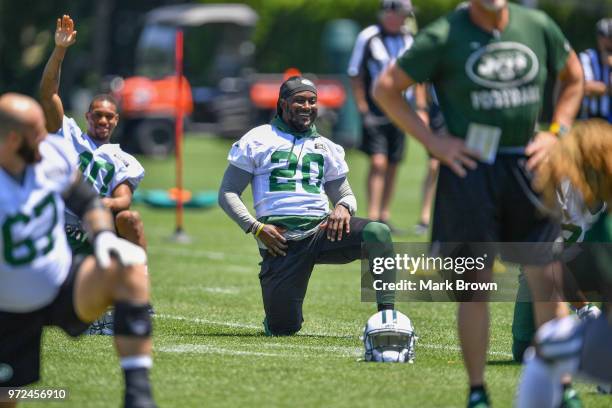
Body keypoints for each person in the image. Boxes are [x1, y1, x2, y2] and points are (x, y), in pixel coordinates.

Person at [372, 1, 584, 406]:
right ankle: (477, 391)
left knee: (547, 278)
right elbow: (386, 88)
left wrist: (557, 131)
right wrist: (433, 142)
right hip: (469, 170)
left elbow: (573, 76)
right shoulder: (443, 35)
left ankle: (563, 387)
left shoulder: (535, 24)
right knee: (474, 287)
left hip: (528, 165)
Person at [0, 93, 156, 408]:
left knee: (128, 268)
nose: (46, 138)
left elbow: (86, 201)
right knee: (9, 396)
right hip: (7, 305)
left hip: (58, 282)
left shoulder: (52, 157)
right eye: (37, 132)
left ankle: (139, 398)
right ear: (15, 139)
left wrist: (102, 237)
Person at [218, 76, 396, 336]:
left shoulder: (325, 145)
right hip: (281, 242)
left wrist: (344, 207)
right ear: (282, 104)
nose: (307, 106)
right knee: (284, 328)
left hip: (323, 230)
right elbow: (227, 192)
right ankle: (277, 318)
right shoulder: (257, 139)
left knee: (378, 233)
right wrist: (255, 227)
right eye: (299, 100)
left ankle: (387, 318)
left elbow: (344, 192)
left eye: (312, 101)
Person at [39, 15, 147, 334]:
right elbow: (48, 94)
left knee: (131, 219)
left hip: (93, 227)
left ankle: (135, 295)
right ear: (86, 116)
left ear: (116, 121)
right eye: (97, 115)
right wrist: (59, 50)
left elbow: (124, 198)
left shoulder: (123, 158)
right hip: (57, 223)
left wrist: (95, 206)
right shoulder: (67, 134)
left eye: (108, 117)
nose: (102, 121)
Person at [516, 119, 612, 407]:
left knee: (543, 352)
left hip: (582, 272)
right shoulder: (553, 185)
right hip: (562, 274)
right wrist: (587, 312)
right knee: (522, 347)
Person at [347, 0, 422, 231]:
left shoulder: (408, 38)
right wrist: (363, 107)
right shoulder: (368, 36)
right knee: (378, 161)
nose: (405, 19)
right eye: (401, 14)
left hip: (400, 110)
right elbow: (355, 72)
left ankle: (384, 215)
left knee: (393, 163)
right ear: (388, 13)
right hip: (375, 110)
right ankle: (372, 215)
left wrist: (419, 107)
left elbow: (417, 75)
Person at [579, 18, 612, 122]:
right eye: (609, 37)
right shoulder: (587, 56)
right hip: (590, 117)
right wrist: (608, 90)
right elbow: (587, 87)